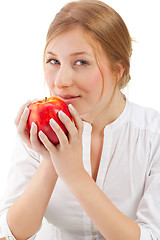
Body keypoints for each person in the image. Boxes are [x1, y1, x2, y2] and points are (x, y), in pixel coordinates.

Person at [0, 0, 160, 239]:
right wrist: (50, 161)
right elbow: (10, 234)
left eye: (81, 62)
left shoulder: (153, 135)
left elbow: (152, 235)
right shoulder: (37, 132)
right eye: (53, 61)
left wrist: (75, 174)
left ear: (118, 71)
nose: (60, 81)